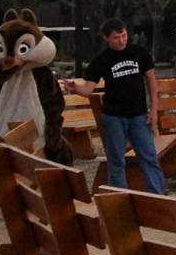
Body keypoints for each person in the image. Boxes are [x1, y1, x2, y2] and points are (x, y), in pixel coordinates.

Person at [71, 19, 166, 193]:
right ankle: (119, 198)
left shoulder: (139, 53)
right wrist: (75, 88)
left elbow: (151, 80)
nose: (121, 40)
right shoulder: (101, 60)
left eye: (124, 35)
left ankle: (157, 195)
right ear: (106, 38)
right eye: (116, 37)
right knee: (116, 161)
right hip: (114, 117)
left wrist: (154, 110)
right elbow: (88, 89)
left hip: (139, 115)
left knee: (149, 157)